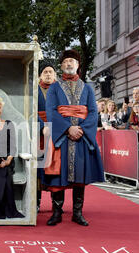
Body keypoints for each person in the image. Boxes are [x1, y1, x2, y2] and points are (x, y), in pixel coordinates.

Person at [43, 49, 104, 226]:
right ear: (61, 66)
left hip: (81, 138)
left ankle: (78, 213)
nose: (69, 64)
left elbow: (93, 112)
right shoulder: (54, 87)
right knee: (57, 176)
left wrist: (81, 130)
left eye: (72, 61)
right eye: (66, 62)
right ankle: (56, 212)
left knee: (80, 175)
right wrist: (68, 128)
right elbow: (51, 111)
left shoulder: (87, 87)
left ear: (77, 66)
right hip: (62, 138)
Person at [36, 61, 59, 213]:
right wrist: (42, 126)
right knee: (38, 168)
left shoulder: (60, 90)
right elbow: (30, 110)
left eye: (51, 72)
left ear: (55, 74)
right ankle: (36, 202)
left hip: (57, 132)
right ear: (40, 76)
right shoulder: (34, 90)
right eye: (45, 72)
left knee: (56, 166)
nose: (48, 74)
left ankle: (57, 204)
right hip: (38, 134)